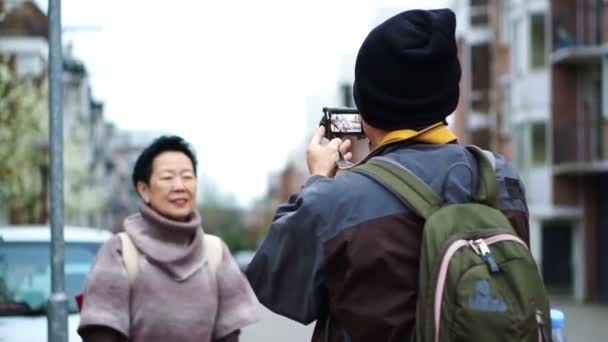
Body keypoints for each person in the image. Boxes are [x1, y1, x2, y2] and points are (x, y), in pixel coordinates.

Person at [245, 9, 530, 342]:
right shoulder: (499, 177)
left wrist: (318, 181)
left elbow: (273, 284)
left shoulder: (335, 201)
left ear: (366, 108)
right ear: (448, 95)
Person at [78, 135, 258, 342]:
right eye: (167, 177)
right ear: (144, 190)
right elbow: (100, 334)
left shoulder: (215, 252)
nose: (180, 186)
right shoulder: (120, 250)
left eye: (188, 176)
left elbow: (229, 336)